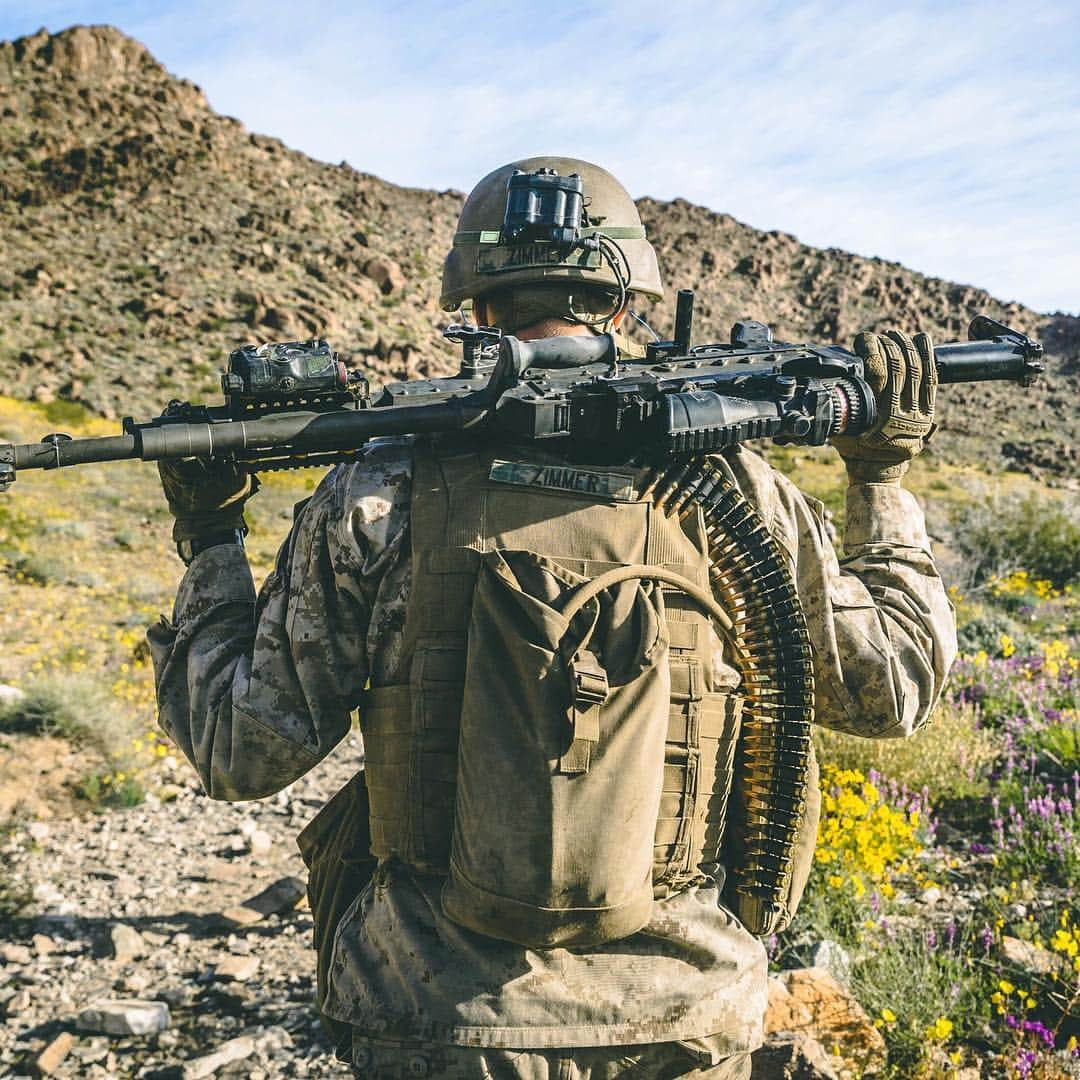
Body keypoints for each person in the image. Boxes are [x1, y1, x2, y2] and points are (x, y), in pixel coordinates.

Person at [149, 156, 957, 1079]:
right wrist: (880, 477)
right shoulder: (739, 493)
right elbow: (890, 688)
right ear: (624, 303)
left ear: (477, 306)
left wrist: (211, 537)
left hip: (429, 1012)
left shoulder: (380, 489)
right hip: (681, 1017)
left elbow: (241, 748)